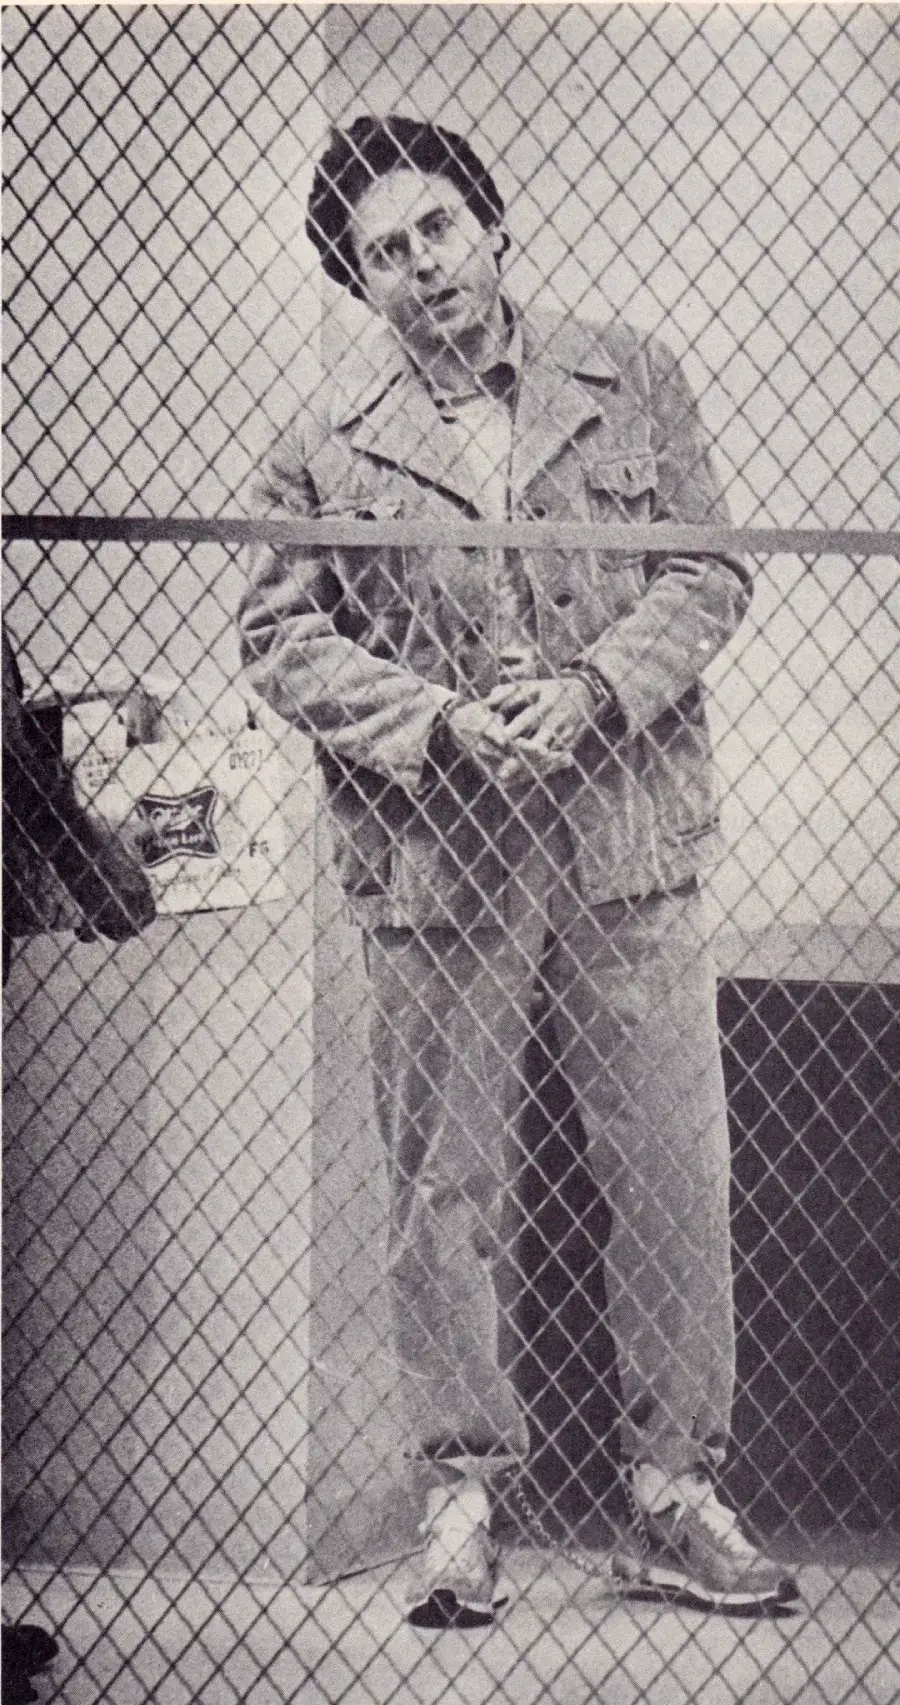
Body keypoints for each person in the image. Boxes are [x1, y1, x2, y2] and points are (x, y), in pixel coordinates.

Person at [239, 115, 799, 1625]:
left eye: (438, 230)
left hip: (624, 835)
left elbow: (709, 569)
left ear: (490, 224)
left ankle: (675, 1495)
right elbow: (281, 640)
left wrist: (597, 688)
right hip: (438, 850)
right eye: (384, 254)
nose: (423, 269)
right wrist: (432, 724)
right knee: (443, 1193)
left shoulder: (632, 374)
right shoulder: (321, 443)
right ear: (357, 285)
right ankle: (463, 1500)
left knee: (673, 1175)